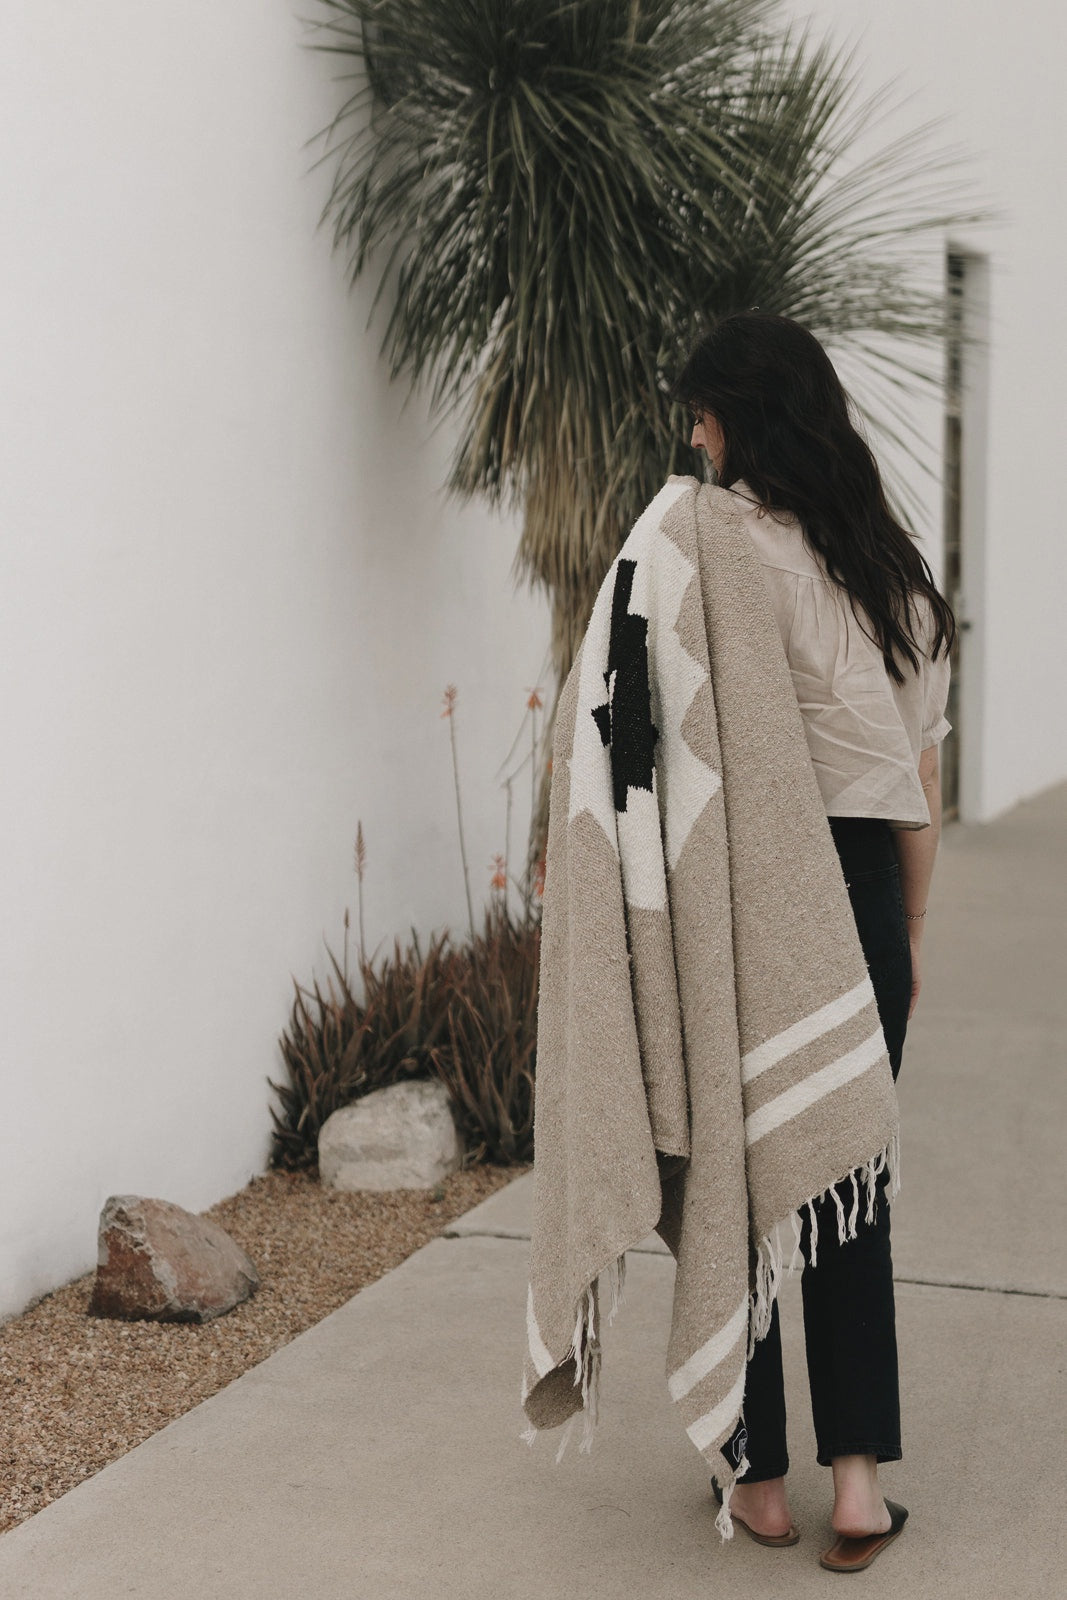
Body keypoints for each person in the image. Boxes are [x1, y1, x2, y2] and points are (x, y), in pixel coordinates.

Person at [670, 312, 956, 1572]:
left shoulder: (721, 545)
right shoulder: (893, 570)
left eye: (699, 412)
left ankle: (757, 1480)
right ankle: (854, 1484)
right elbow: (917, 779)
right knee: (846, 1178)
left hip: (760, 885)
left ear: (743, 414)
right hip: (866, 890)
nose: (689, 435)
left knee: (744, 1176)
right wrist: (908, 927)